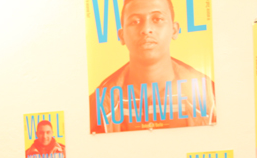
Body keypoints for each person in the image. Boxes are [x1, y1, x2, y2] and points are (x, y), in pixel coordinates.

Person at [89, 0, 216, 133]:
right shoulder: (96, 104)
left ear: (174, 30)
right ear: (122, 36)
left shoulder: (211, 96)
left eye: (157, 19)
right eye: (135, 21)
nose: (146, 29)